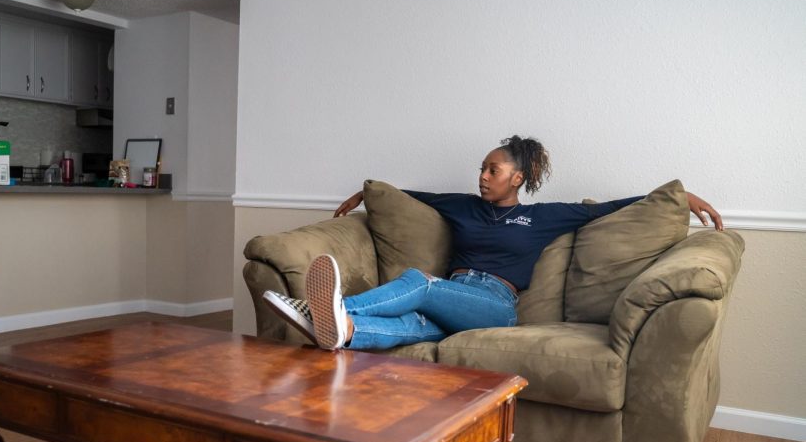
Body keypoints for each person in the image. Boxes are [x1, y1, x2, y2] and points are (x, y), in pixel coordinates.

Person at [263, 135, 723, 351]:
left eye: (493, 170)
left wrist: (678, 197)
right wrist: (366, 191)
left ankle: (330, 309)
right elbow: (406, 196)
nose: (482, 176)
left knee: (420, 283)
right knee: (417, 326)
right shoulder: (462, 206)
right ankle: (343, 331)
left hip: (495, 303)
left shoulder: (543, 216)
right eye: (481, 168)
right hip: (453, 300)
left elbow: (604, 209)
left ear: (517, 178)